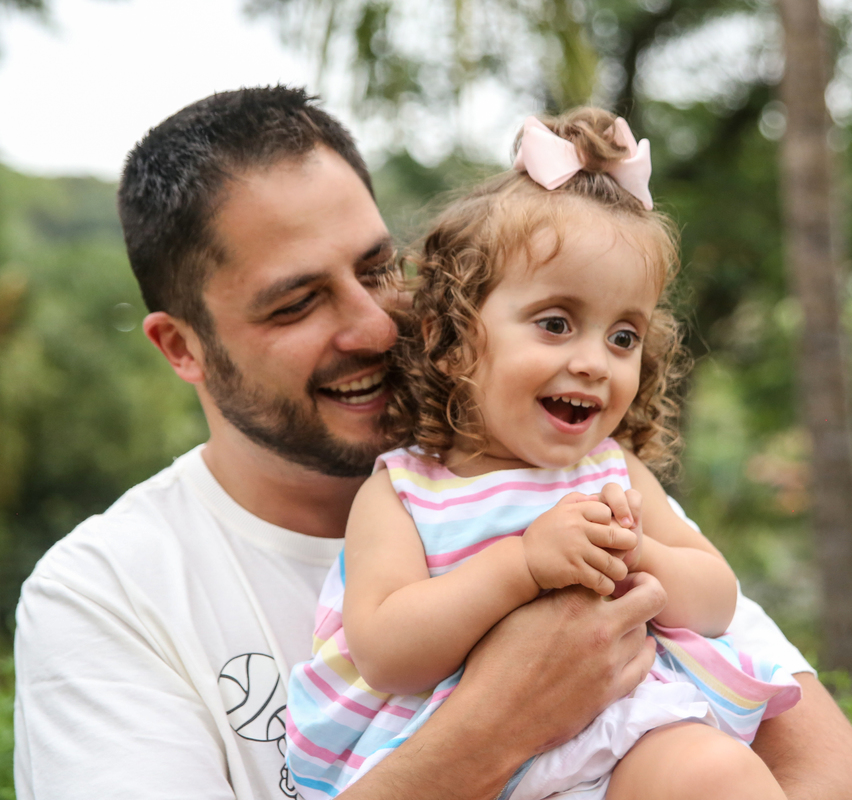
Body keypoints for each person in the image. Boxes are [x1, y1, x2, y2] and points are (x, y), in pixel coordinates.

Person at [13, 86, 852, 800]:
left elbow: (836, 781)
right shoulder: (107, 595)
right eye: (296, 302)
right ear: (182, 347)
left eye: (375, 269)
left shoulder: (568, 470)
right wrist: (496, 723)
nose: (372, 324)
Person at [285, 108, 801, 800]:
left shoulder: (613, 472)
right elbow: (384, 649)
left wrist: (636, 552)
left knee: (717, 775)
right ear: (454, 336)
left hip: (627, 748)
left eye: (624, 337)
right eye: (556, 324)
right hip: (465, 768)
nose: (594, 362)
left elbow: (716, 600)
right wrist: (523, 564)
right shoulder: (406, 491)